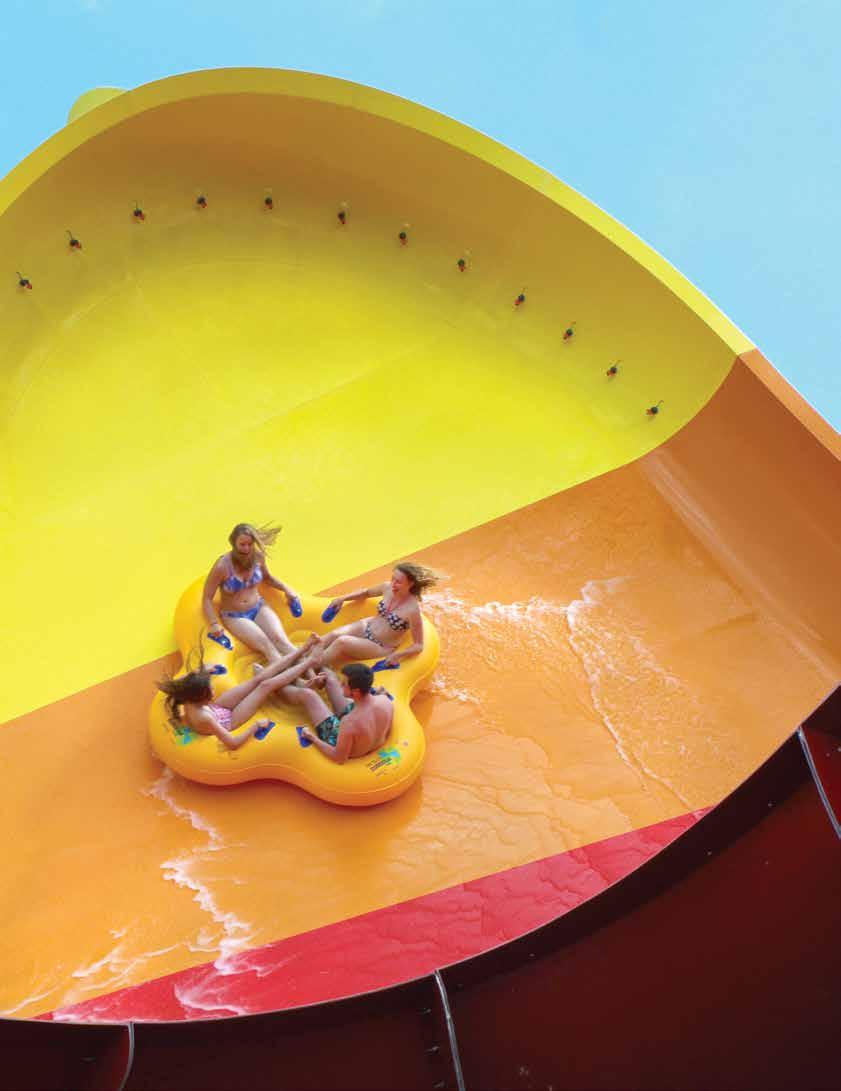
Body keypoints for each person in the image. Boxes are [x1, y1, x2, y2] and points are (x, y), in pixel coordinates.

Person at [157, 637, 319, 750]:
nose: (214, 691)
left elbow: (189, 678)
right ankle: (308, 663)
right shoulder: (203, 717)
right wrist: (255, 727)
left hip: (217, 708)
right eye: (210, 691)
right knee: (265, 685)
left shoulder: (186, 696)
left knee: (259, 679)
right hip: (229, 720)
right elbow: (232, 743)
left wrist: (205, 670)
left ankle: (303, 649)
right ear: (200, 698)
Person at [202, 523, 301, 663]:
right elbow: (207, 598)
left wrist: (287, 589)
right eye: (242, 544)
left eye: (250, 544)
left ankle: (315, 671)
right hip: (235, 616)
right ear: (233, 543)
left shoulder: (258, 557)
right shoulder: (222, 566)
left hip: (259, 607)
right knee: (268, 647)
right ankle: (295, 676)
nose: (247, 548)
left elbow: (268, 578)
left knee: (282, 641)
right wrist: (214, 624)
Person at [315, 562, 441, 669]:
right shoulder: (387, 588)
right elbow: (366, 593)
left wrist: (397, 655)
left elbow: (418, 646)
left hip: (380, 646)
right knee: (334, 634)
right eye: (393, 579)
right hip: (367, 626)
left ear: (411, 584)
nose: (393, 584)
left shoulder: (412, 610)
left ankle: (309, 666)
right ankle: (304, 654)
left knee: (342, 642)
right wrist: (342, 598)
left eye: (398, 582)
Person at [297, 663, 394, 764]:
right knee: (330, 680)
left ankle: (289, 681)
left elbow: (339, 758)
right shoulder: (385, 700)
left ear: (356, 691)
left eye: (344, 684)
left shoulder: (349, 722)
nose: (340, 685)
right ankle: (305, 668)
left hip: (347, 745)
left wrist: (311, 737)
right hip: (361, 731)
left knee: (308, 695)